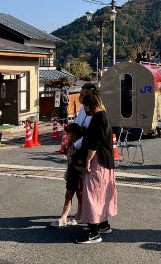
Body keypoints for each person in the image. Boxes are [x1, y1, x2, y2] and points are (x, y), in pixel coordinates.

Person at [74, 92, 118, 244]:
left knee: (92, 194)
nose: (84, 109)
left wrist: (87, 160)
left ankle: (93, 233)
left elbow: (95, 141)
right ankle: (104, 225)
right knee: (103, 194)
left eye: (84, 106)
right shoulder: (103, 115)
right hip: (106, 161)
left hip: (97, 161)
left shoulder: (98, 117)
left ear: (89, 105)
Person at [51, 123, 83, 228]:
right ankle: (64, 216)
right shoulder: (71, 143)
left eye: (69, 134)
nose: (67, 136)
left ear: (75, 134)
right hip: (71, 171)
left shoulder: (80, 144)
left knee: (79, 194)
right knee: (68, 195)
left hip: (79, 172)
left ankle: (79, 215)